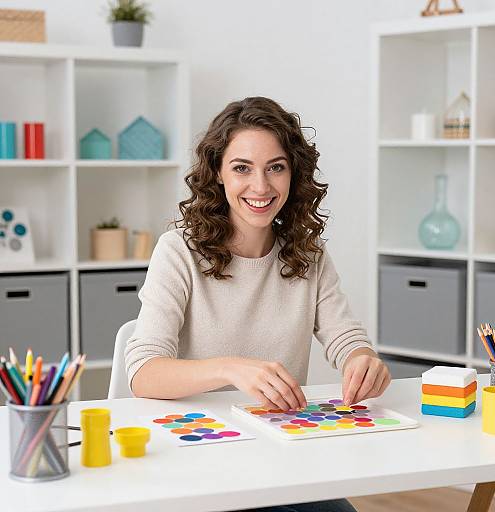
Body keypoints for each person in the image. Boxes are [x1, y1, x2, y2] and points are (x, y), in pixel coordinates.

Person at [125, 96, 390, 512]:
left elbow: (345, 336)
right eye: (242, 168)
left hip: (284, 460)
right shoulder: (178, 251)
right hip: (199, 463)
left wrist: (361, 358)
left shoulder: (308, 254)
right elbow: (143, 374)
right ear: (218, 173)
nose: (261, 187)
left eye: (276, 168)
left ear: (293, 174)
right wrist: (230, 367)